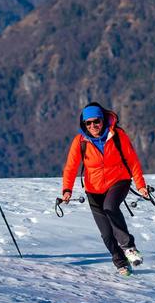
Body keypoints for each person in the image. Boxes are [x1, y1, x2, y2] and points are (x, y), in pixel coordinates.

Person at [60, 101, 149, 277]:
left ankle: (129, 248)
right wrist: (67, 190)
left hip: (119, 181)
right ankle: (121, 263)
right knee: (106, 234)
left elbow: (133, 161)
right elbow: (71, 167)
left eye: (96, 121)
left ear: (103, 120)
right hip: (93, 190)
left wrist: (141, 185)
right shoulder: (80, 141)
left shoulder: (117, 135)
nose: (93, 126)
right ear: (83, 124)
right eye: (88, 123)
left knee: (110, 207)